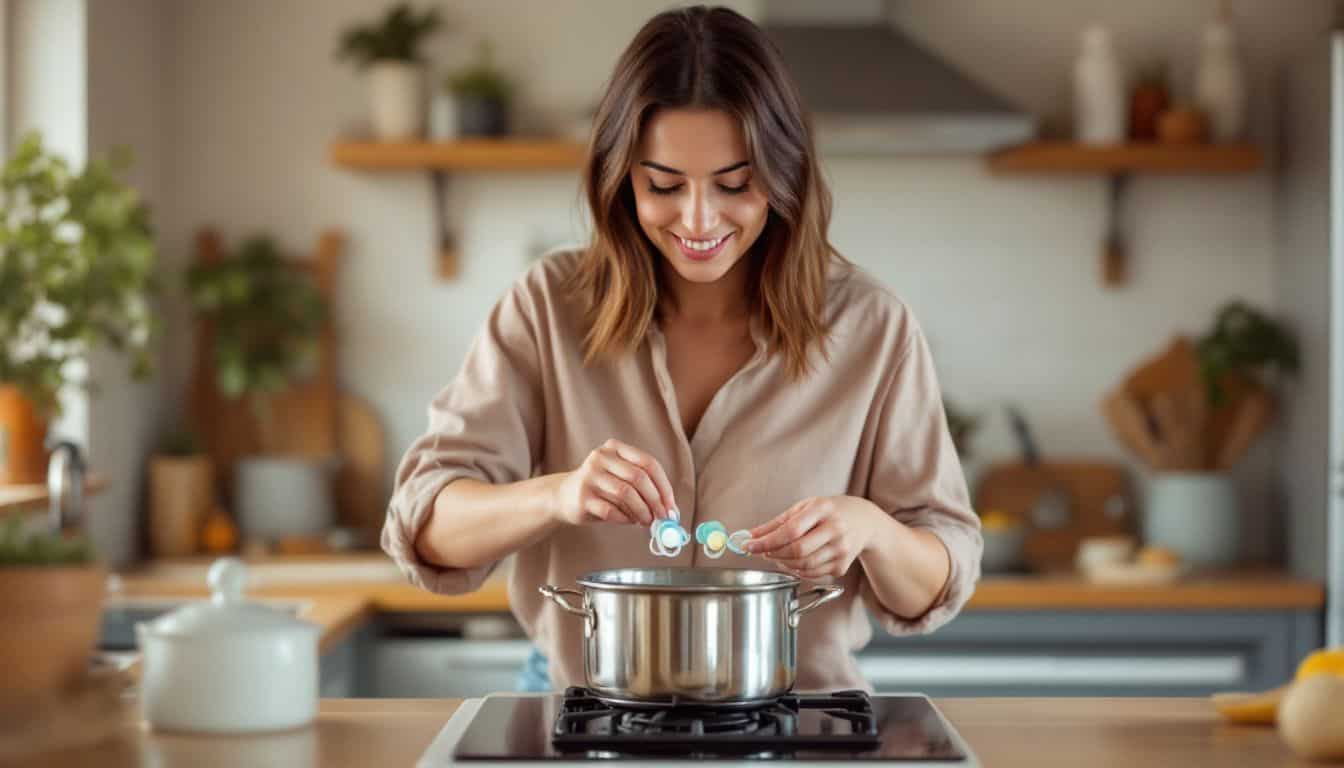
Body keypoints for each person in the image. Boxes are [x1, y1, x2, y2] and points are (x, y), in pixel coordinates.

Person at [382, 5, 982, 694]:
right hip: (583, 708)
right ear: (620, 178)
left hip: (803, 715)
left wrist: (872, 530)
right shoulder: (547, 307)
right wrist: (559, 494)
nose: (699, 220)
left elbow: (938, 574)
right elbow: (425, 524)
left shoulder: (873, 327)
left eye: (735, 183)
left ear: (784, 175)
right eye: (663, 185)